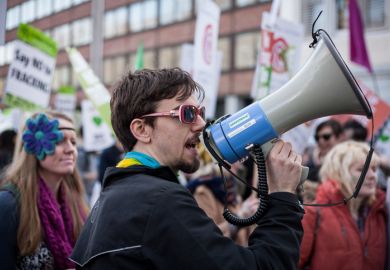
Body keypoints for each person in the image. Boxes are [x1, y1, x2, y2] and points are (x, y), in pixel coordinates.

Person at [70, 68, 304, 269]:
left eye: (200, 113)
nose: (202, 124)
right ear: (142, 129)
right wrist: (282, 194)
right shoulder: (160, 201)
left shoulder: (115, 196)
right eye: (187, 114)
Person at [0, 111, 89, 269]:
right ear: (33, 147)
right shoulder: (8, 205)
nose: (70, 149)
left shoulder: (76, 202)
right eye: (59, 141)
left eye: (74, 142)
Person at [299, 141, 387, 270]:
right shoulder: (314, 213)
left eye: (374, 169)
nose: (373, 176)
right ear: (339, 173)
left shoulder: (380, 211)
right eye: (361, 169)